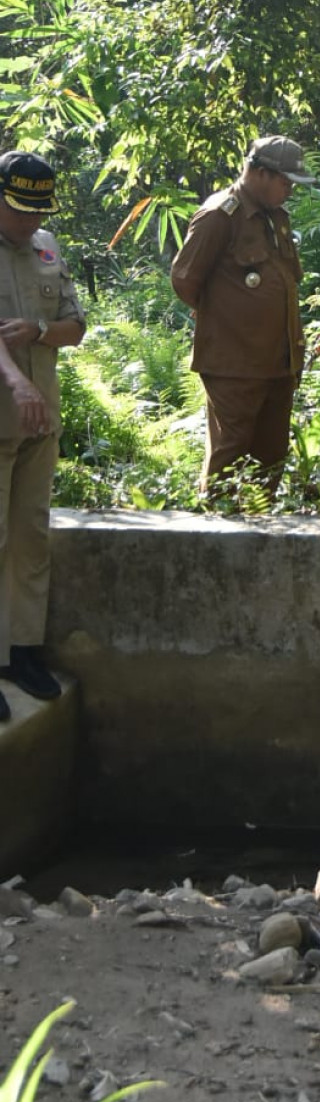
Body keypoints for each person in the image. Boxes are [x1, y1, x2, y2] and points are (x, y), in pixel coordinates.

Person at [171, 136, 318, 494]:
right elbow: (185, 279)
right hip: (234, 365)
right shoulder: (221, 215)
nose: (290, 191)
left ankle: (260, 538)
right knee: (230, 453)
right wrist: (226, 321)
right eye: (286, 182)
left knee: (272, 456)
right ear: (260, 173)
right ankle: (217, 537)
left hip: (278, 364)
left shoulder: (276, 218)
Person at [0, 151, 87, 718]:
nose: (29, 221)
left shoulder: (48, 247)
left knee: (30, 536)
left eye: (37, 211)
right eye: (18, 209)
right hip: (8, 410)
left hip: (39, 418)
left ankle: (20, 652)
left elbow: (75, 327)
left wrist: (39, 330)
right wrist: (17, 385)